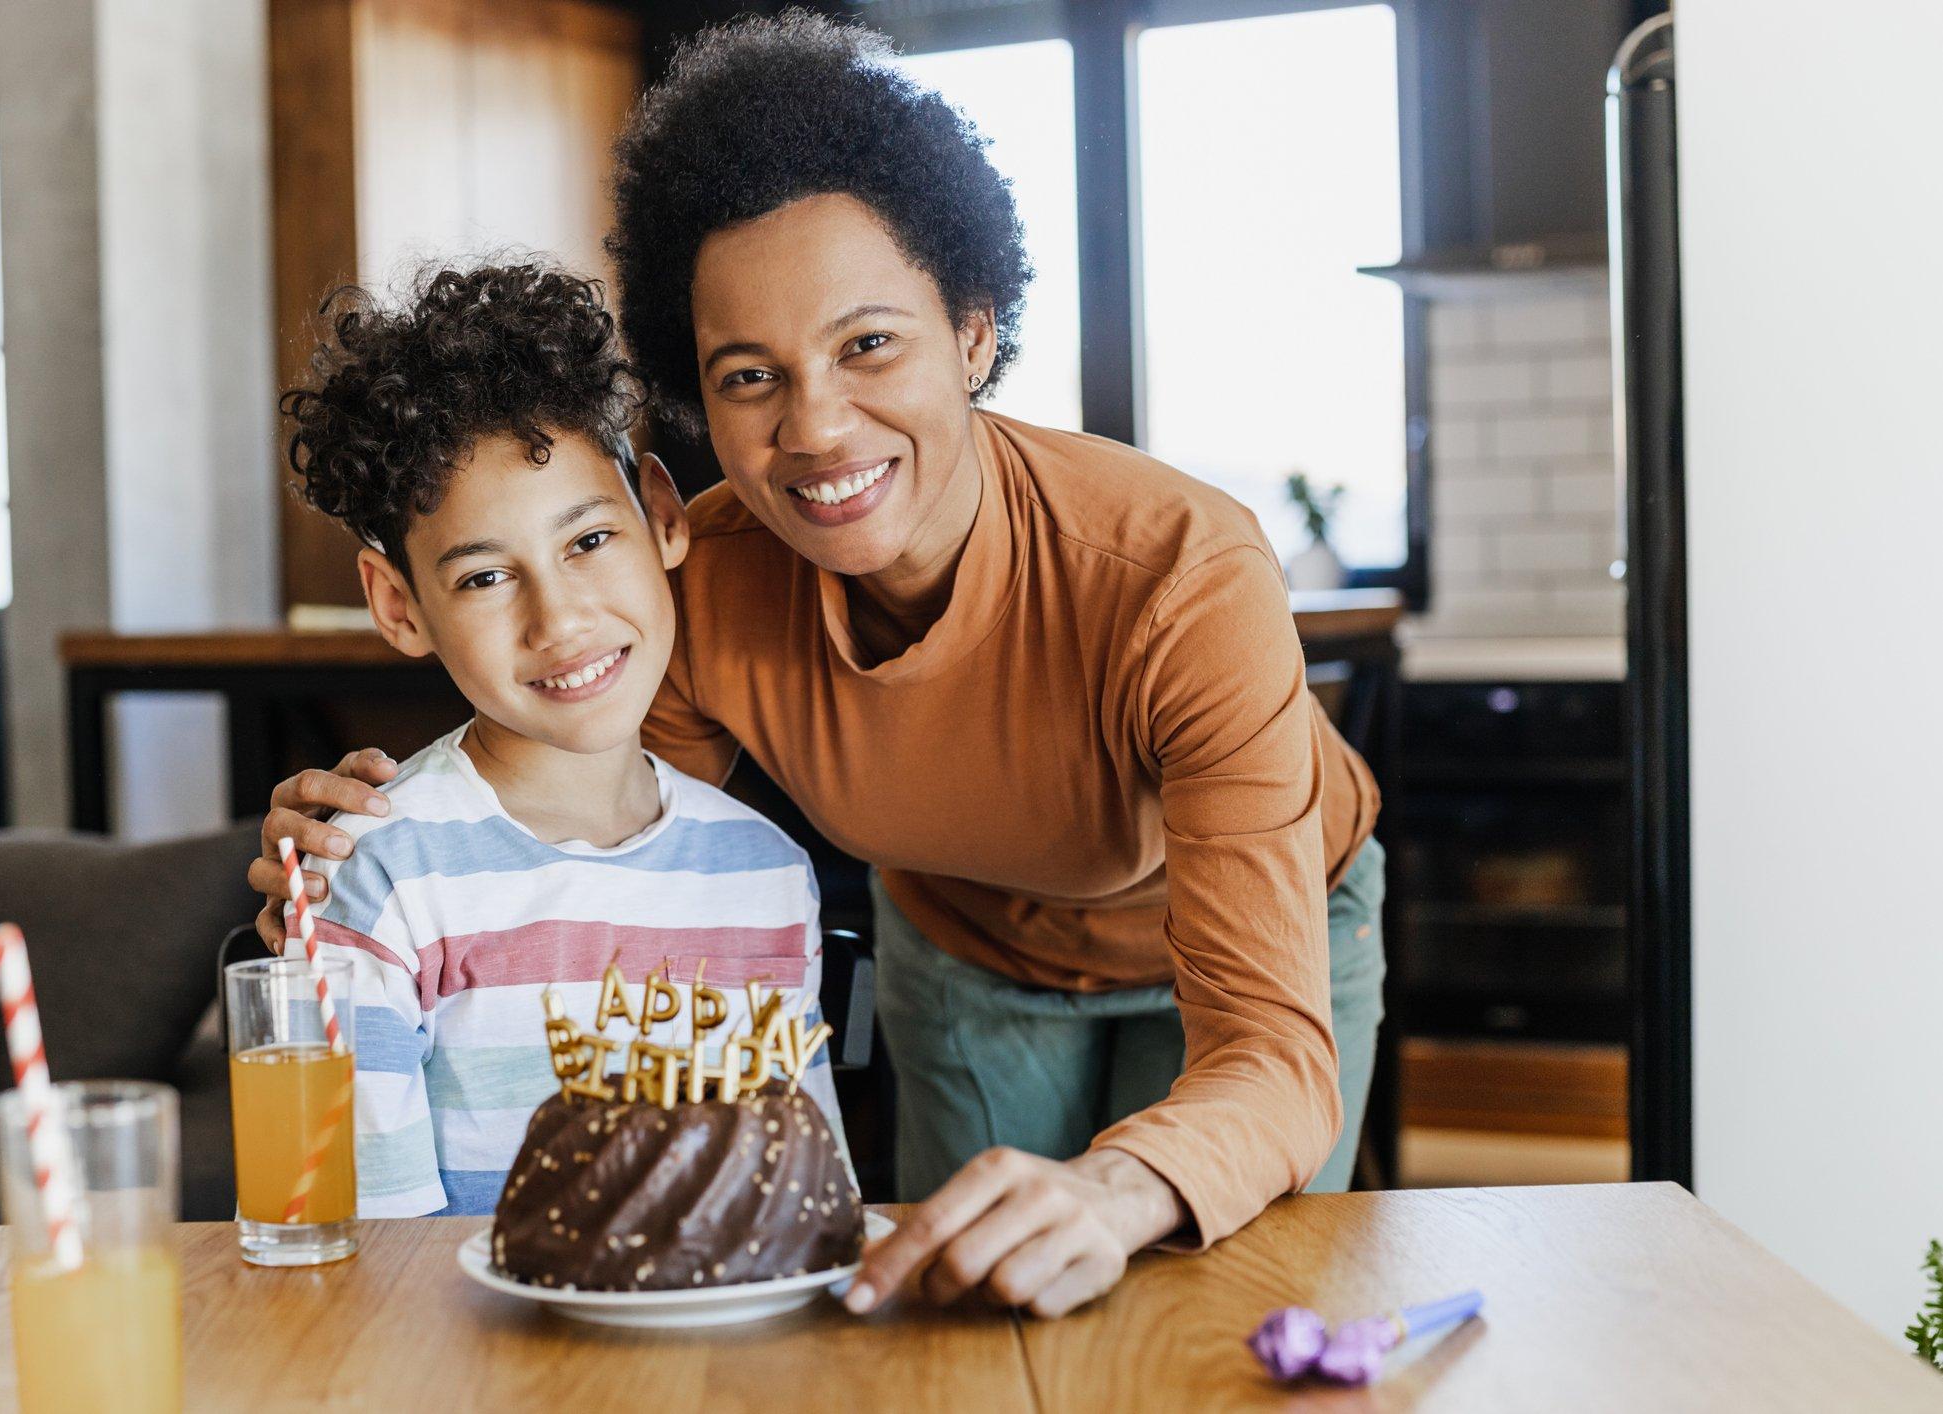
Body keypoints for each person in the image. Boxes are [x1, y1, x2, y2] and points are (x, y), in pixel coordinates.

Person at [253, 12, 1382, 1316]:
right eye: (751, 375)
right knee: (977, 1328)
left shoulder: (1181, 573)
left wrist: (1119, 1187)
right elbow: (597, 857)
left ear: (971, 329)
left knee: (1206, 1328)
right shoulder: (701, 583)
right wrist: (344, 855)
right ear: (698, 403)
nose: (817, 425)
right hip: (962, 946)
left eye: (868, 344)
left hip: (1249, 942)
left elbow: (1273, 1056)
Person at [276, 261, 841, 1217]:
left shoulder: (766, 873)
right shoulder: (382, 878)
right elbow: (361, 1247)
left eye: (587, 542)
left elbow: (800, 1201)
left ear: (662, 517)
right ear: (399, 606)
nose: (560, 619)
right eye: (485, 578)